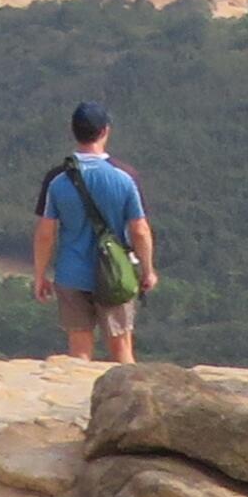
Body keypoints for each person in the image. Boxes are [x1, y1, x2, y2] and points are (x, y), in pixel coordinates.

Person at [33, 102, 157, 363]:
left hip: (71, 274)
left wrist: (40, 275)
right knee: (122, 349)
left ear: (73, 131)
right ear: (105, 131)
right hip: (116, 273)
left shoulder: (57, 178)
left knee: (79, 352)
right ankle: (128, 404)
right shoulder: (125, 176)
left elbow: (46, 233)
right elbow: (140, 230)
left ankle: (80, 403)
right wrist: (147, 270)